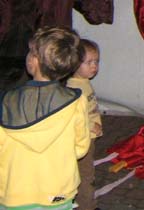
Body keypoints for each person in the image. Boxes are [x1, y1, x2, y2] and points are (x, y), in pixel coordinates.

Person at [0, 27, 90, 210]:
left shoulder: (7, 102)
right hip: (58, 193)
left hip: (15, 193)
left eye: (31, 51)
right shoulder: (76, 101)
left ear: (34, 61)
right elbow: (81, 148)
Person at [66, 39, 103, 210]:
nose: (94, 66)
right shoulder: (75, 88)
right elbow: (72, 115)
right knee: (86, 175)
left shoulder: (83, 83)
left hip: (89, 138)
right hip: (82, 139)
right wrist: (89, 126)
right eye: (89, 62)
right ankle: (87, 206)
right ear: (74, 63)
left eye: (96, 61)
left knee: (86, 173)